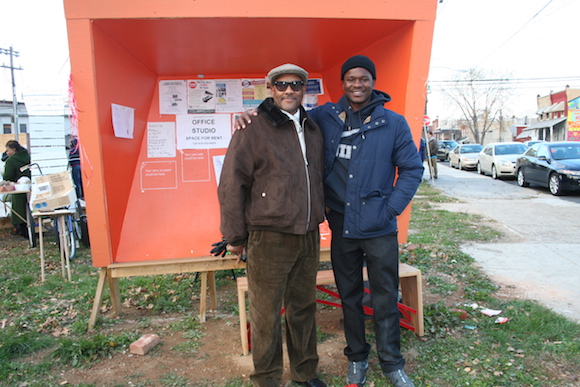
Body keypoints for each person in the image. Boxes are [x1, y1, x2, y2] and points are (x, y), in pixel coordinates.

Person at [236, 55, 423, 387]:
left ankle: (392, 363)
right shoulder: (325, 116)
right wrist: (251, 114)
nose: (357, 84)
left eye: (364, 78)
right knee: (349, 297)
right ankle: (357, 358)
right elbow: (285, 114)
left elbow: (411, 169)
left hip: (379, 227)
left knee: (384, 297)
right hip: (342, 226)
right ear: (342, 83)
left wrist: (390, 208)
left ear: (373, 81)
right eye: (350, 79)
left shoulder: (393, 123)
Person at [218, 64, 327, 387]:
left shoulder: (312, 127)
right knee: (266, 315)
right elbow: (230, 185)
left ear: (304, 88)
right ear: (270, 88)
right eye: (281, 85)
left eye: (295, 84)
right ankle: (266, 380)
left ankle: (305, 374)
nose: (288, 90)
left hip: (307, 234)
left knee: (303, 309)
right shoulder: (252, 128)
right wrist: (235, 237)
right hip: (268, 237)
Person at [3, 140, 31, 238]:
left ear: (14, 149)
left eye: (8, 150)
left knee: (19, 211)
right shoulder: (28, 155)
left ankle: (23, 232)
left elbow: (8, 176)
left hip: (18, 188)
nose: (7, 153)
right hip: (32, 186)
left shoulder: (11, 160)